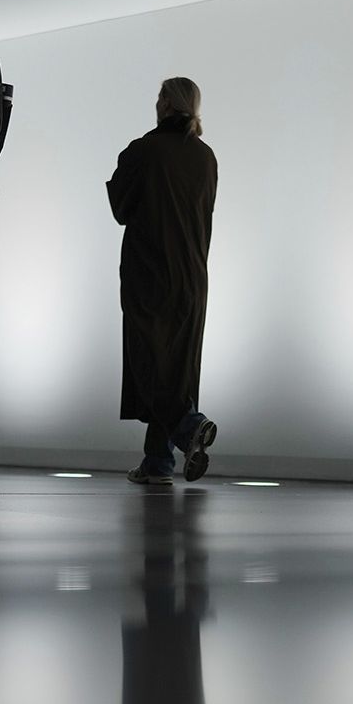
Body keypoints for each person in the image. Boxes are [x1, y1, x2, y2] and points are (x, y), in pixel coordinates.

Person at [108, 77, 220, 484]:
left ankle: (189, 427)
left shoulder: (144, 151)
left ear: (166, 104)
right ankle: (158, 461)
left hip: (150, 273)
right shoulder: (207, 158)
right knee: (177, 367)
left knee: (147, 363)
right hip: (193, 275)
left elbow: (121, 208)